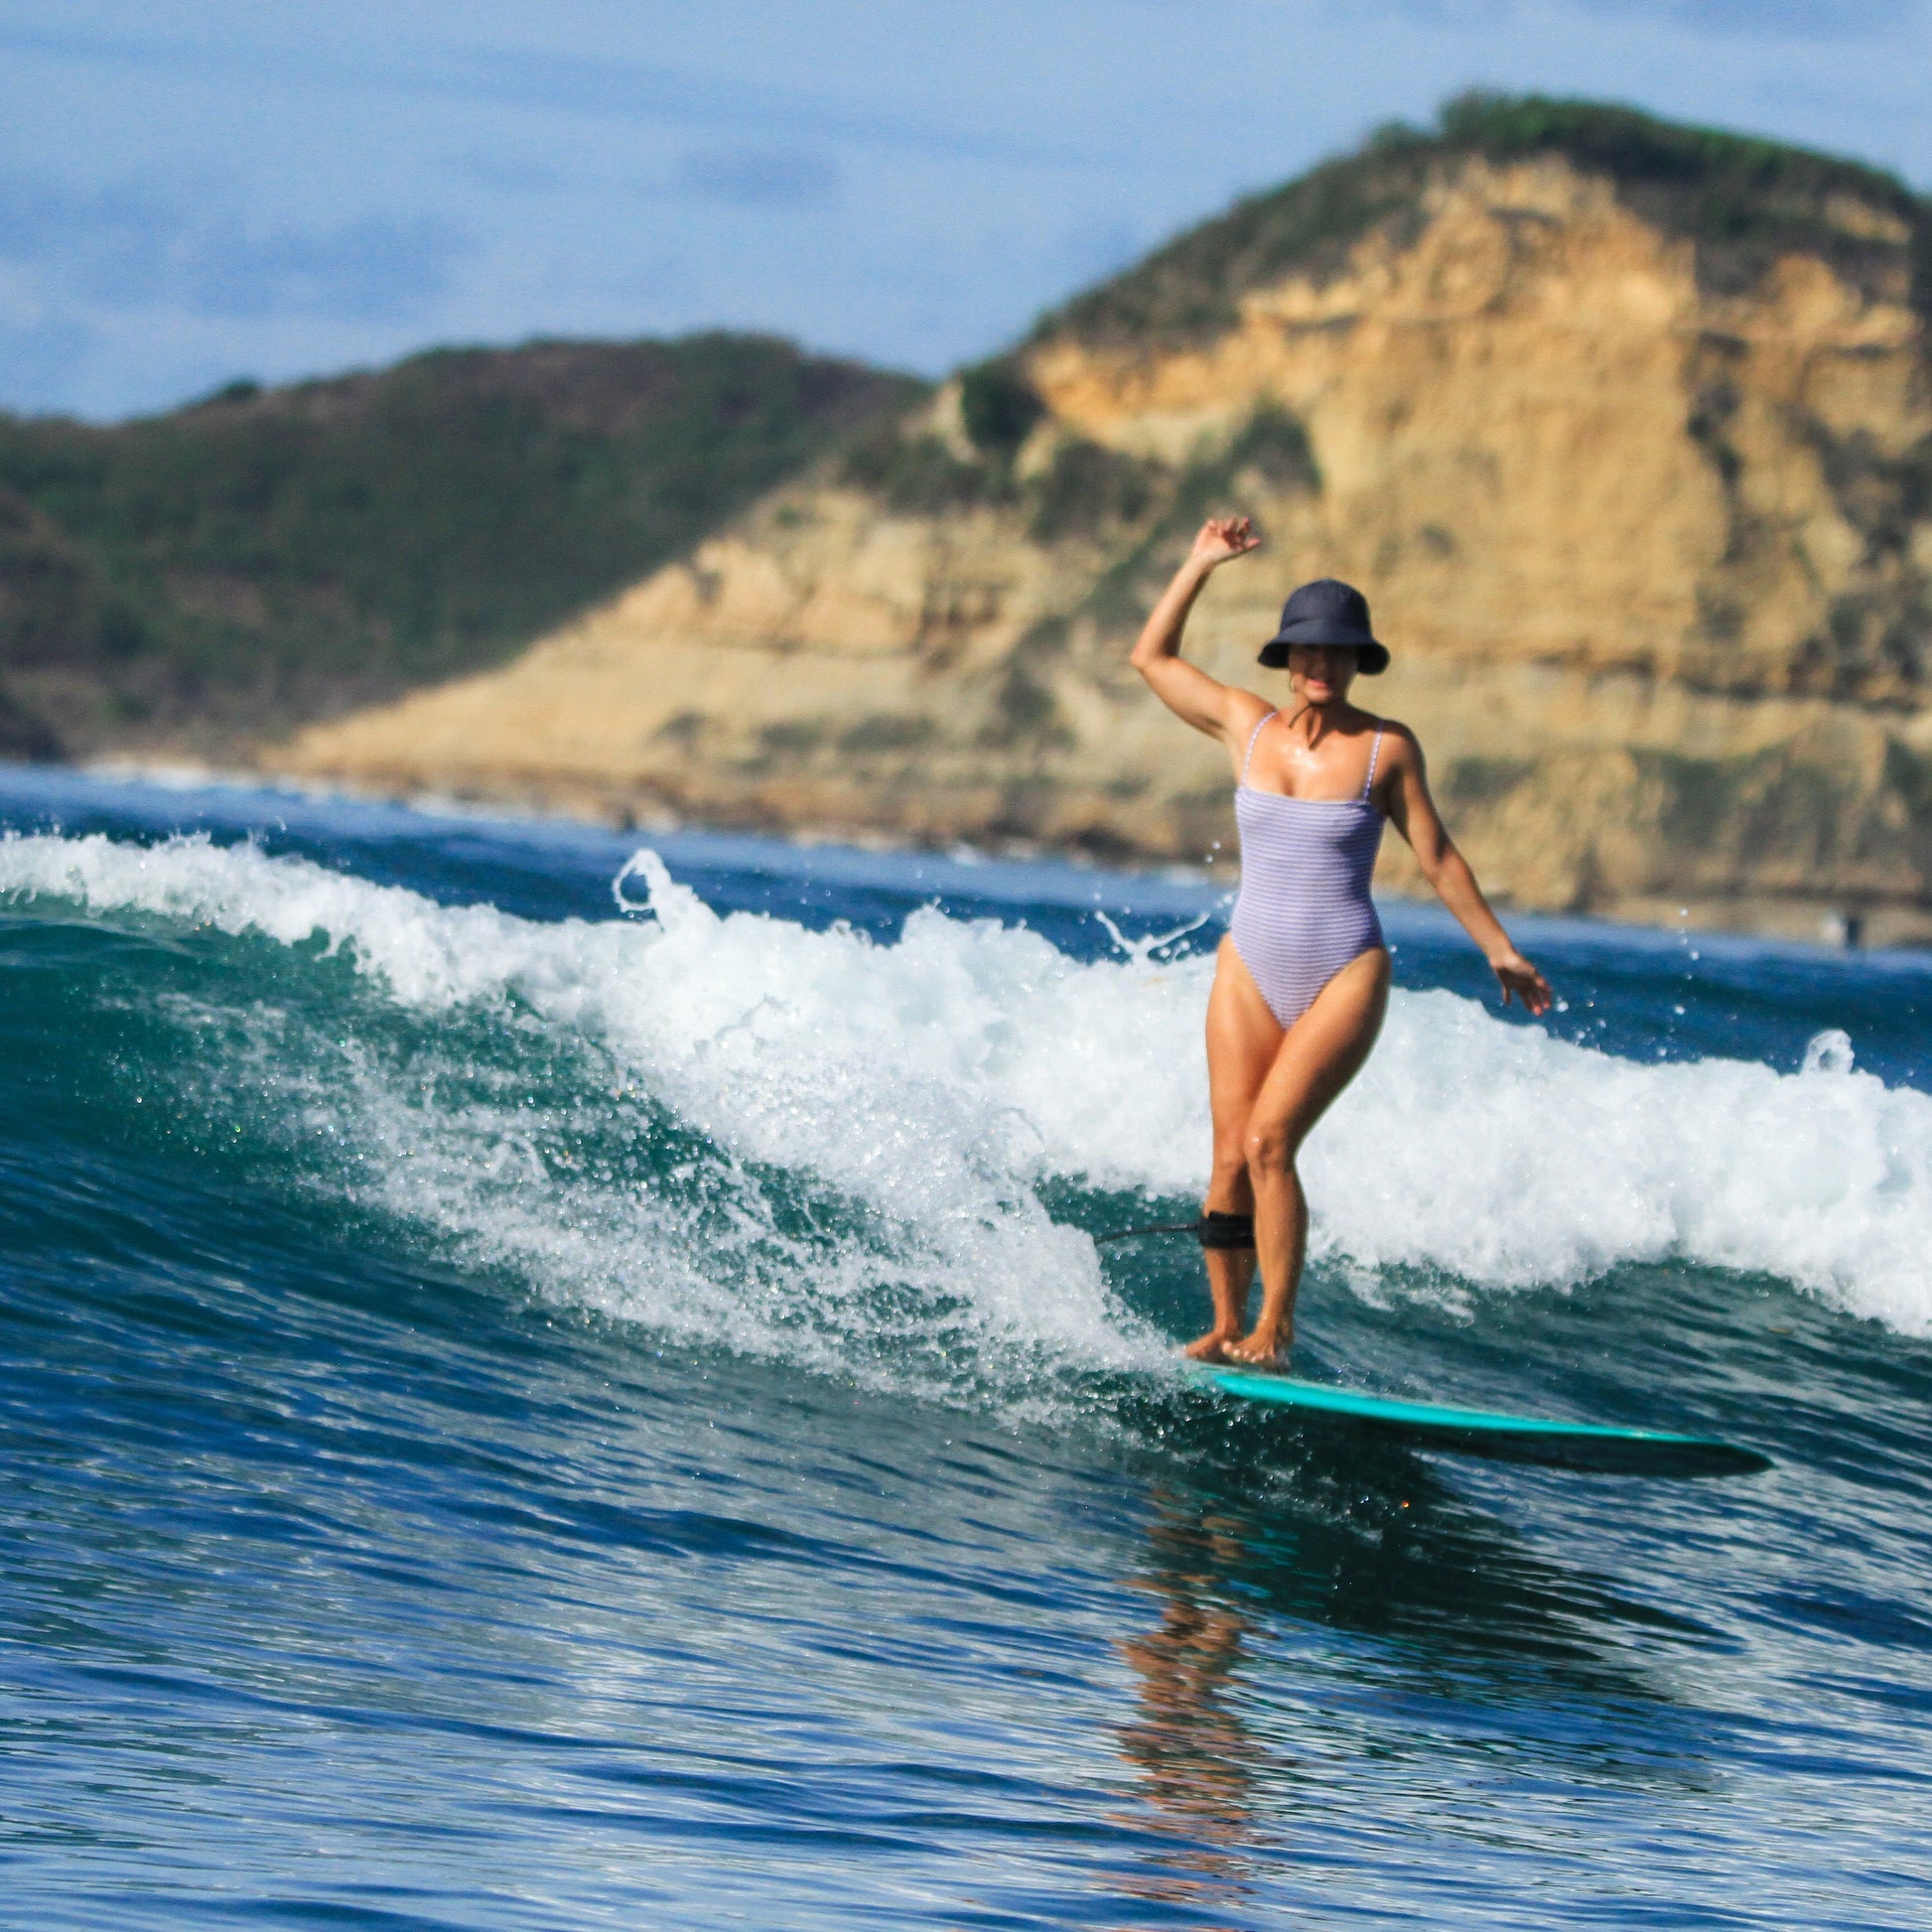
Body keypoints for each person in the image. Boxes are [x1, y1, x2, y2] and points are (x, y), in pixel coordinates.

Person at [1131, 516, 1552, 1367]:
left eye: (1339, 653)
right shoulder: (1245, 728)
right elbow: (1153, 658)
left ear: (1360, 660)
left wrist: (1498, 947)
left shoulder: (1385, 749)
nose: (1321, 667)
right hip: (1249, 961)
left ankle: (1274, 1332)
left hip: (1343, 970)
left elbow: (1434, 855)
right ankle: (1224, 1328)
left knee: (1269, 1144)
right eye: (1308, 652)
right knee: (1225, 1160)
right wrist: (1200, 561)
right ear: (1286, 658)